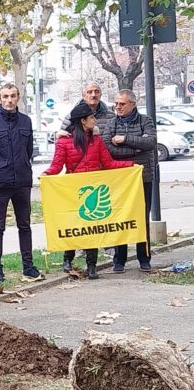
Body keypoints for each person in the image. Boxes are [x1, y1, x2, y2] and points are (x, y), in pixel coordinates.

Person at [42, 102, 134, 279]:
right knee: (75, 226)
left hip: (93, 188)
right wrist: (45, 175)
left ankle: (92, 266)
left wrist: (131, 166)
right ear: (83, 120)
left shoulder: (96, 140)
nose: (95, 120)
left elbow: (108, 163)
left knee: (92, 228)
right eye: (91, 118)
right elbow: (56, 166)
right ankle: (67, 259)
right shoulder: (64, 142)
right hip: (74, 191)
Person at [0, 83, 43, 283]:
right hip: (0, 182)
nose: (9, 100)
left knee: (25, 225)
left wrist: (24, 166)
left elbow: (29, 150)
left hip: (22, 181)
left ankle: (28, 266)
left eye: (13, 96)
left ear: (18, 98)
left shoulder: (25, 121)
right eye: (5, 96)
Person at [102, 89, 157, 273]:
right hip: (120, 178)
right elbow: (108, 149)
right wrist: (136, 150)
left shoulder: (145, 121)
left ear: (133, 104)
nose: (118, 107)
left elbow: (150, 143)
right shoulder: (111, 123)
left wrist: (124, 139)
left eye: (122, 104)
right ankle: (119, 260)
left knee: (142, 218)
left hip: (143, 177)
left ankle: (144, 257)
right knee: (120, 217)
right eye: (116, 103)